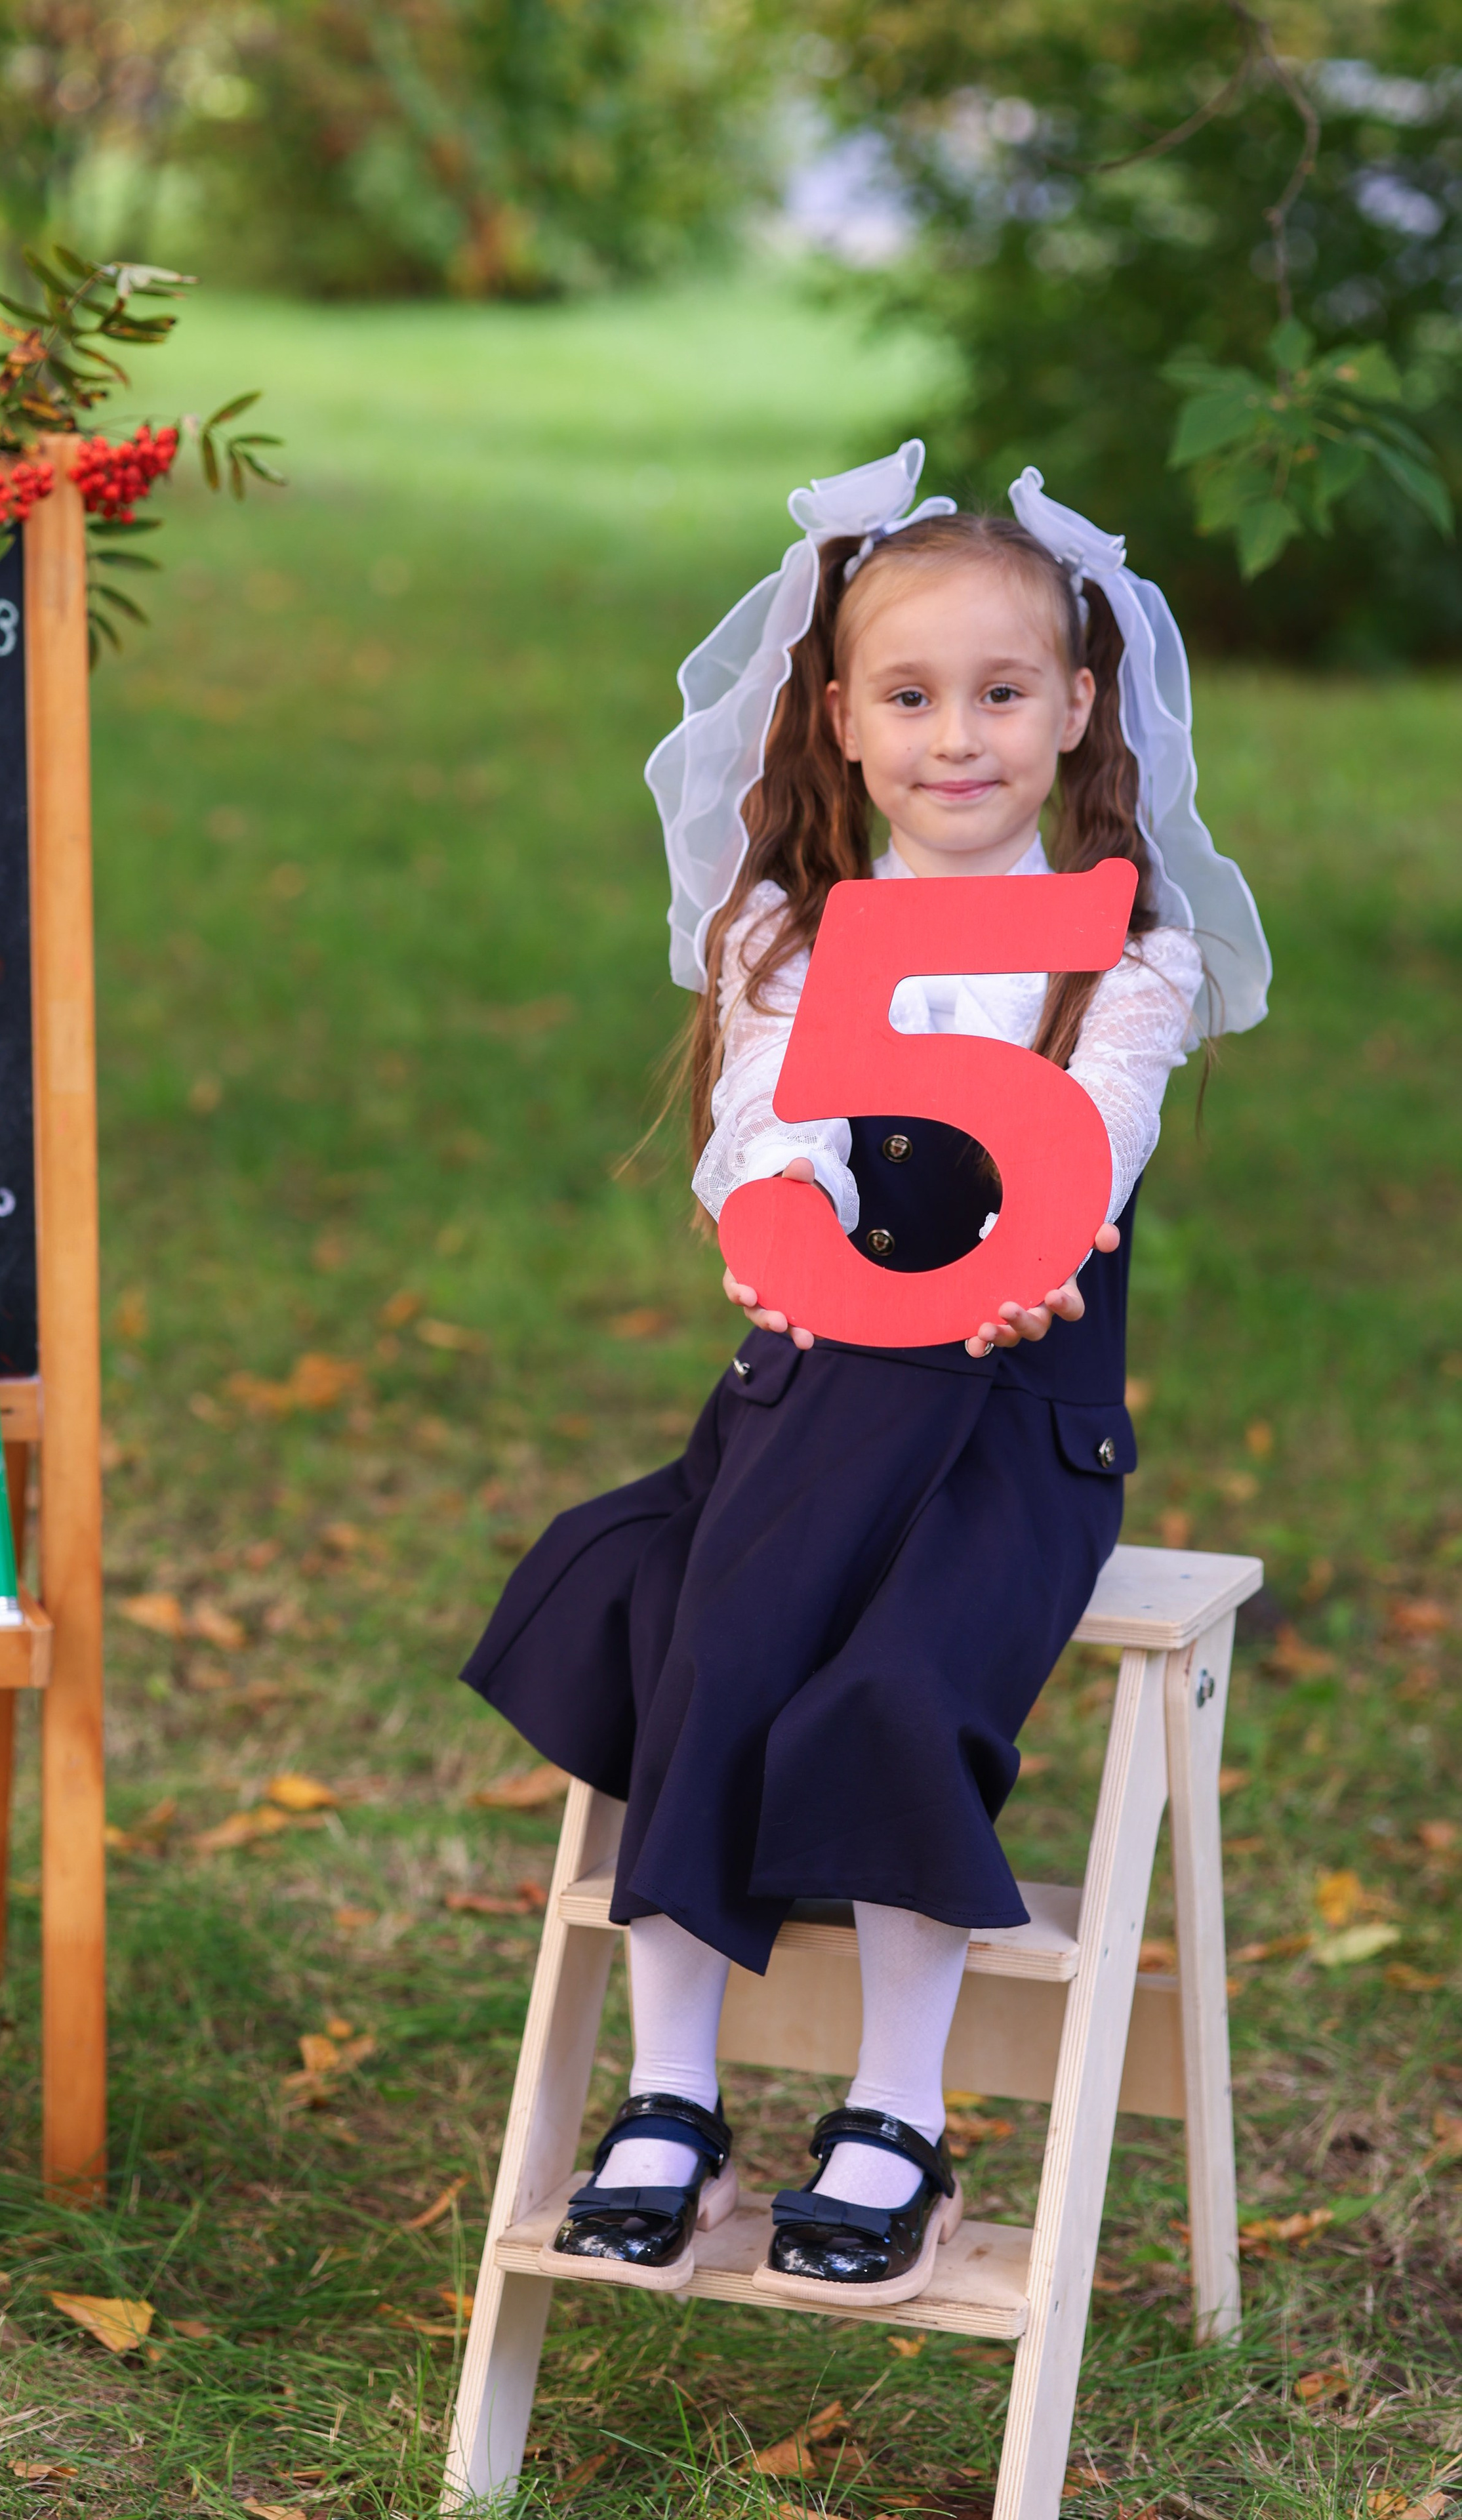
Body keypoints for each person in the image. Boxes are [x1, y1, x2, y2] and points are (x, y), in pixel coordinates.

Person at [461, 443, 1270, 2307]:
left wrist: (1030, 1257)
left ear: (1078, 706)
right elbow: (774, 1128)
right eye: (911, 695)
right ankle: (671, 2088)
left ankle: (896, 2109)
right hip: (813, 1393)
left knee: (897, 1679)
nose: (958, 736)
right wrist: (788, 1208)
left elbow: (1092, 1135)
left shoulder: (1122, 958)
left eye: (1002, 693)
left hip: (1014, 1417)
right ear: (841, 713)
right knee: (700, 1639)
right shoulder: (788, 940)